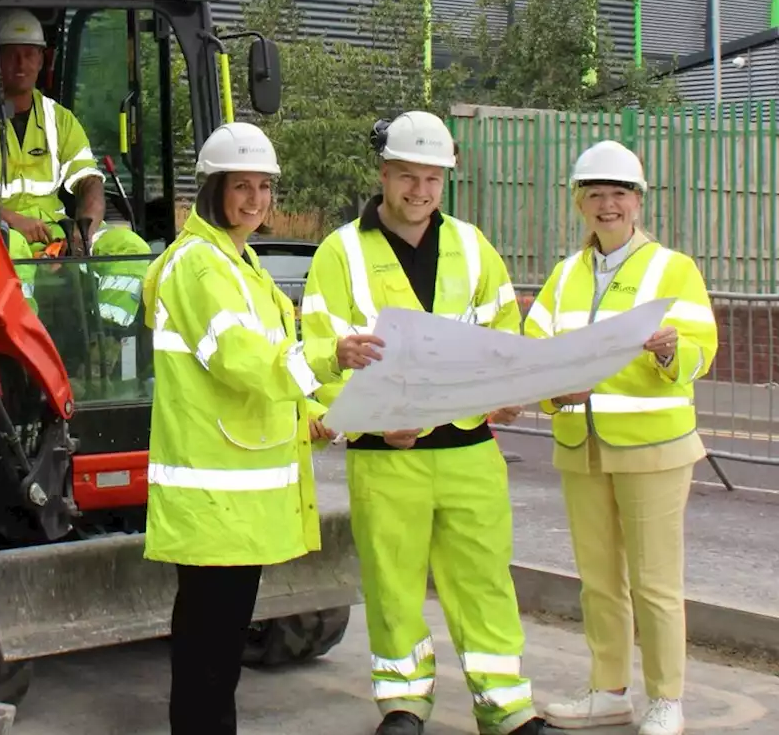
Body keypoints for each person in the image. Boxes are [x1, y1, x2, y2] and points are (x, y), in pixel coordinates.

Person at [300, 111, 559, 735]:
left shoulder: (474, 248)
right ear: (383, 175)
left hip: (470, 450)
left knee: (485, 582)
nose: (420, 191)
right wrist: (364, 422)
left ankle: (507, 710)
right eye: (408, 176)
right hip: (386, 457)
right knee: (392, 586)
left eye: (433, 179)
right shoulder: (341, 253)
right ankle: (403, 704)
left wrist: (510, 391)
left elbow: (504, 336)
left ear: (447, 179)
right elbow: (317, 352)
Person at [140, 121, 334, 735]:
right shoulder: (199, 267)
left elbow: (268, 363)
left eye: (263, 187)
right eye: (240, 186)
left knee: (217, 654)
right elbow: (243, 359)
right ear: (213, 190)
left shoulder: (239, 262)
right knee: (207, 656)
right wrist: (330, 361)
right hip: (214, 499)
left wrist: (311, 413)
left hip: (236, 502)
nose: (254, 199)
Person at [523, 141, 717, 735]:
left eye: (619, 194)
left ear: (638, 203)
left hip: (653, 448)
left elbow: (701, 351)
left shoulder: (672, 268)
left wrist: (670, 350)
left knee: (656, 582)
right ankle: (609, 690)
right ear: (579, 203)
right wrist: (556, 391)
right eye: (595, 194)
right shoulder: (564, 276)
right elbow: (537, 356)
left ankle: (667, 700)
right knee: (599, 579)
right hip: (582, 445)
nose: (607, 205)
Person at [0, 7, 151, 328]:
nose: (21, 64)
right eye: (10, 55)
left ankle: (107, 341)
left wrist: (85, 228)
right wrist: (12, 218)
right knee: (12, 253)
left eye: (29, 54)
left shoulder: (58, 118)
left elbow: (89, 180)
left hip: (55, 230)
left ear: (41, 60)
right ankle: (24, 349)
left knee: (131, 249)